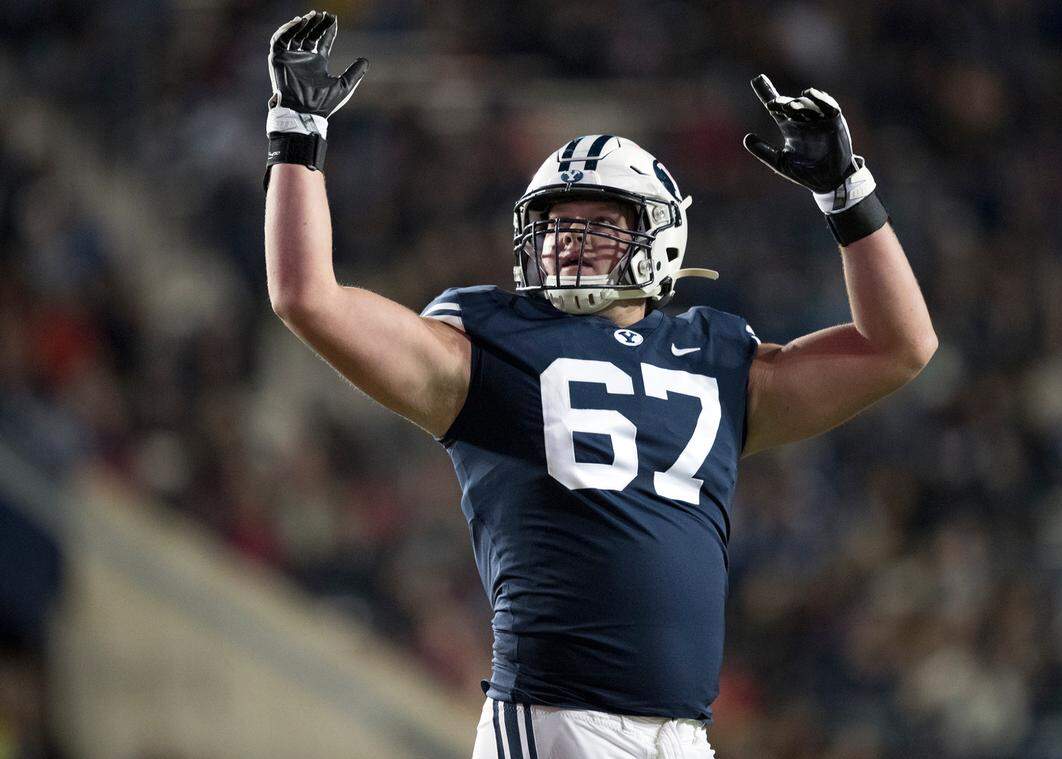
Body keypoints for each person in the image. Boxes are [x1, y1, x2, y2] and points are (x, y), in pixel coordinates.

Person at [263, 11, 937, 759]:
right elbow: (308, 297)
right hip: (557, 719)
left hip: (683, 734)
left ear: (661, 234)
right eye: (555, 222)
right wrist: (297, 138)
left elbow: (900, 346)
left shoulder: (712, 353)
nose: (569, 238)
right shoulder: (489, 340)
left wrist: (849, 195)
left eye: (599, 220)